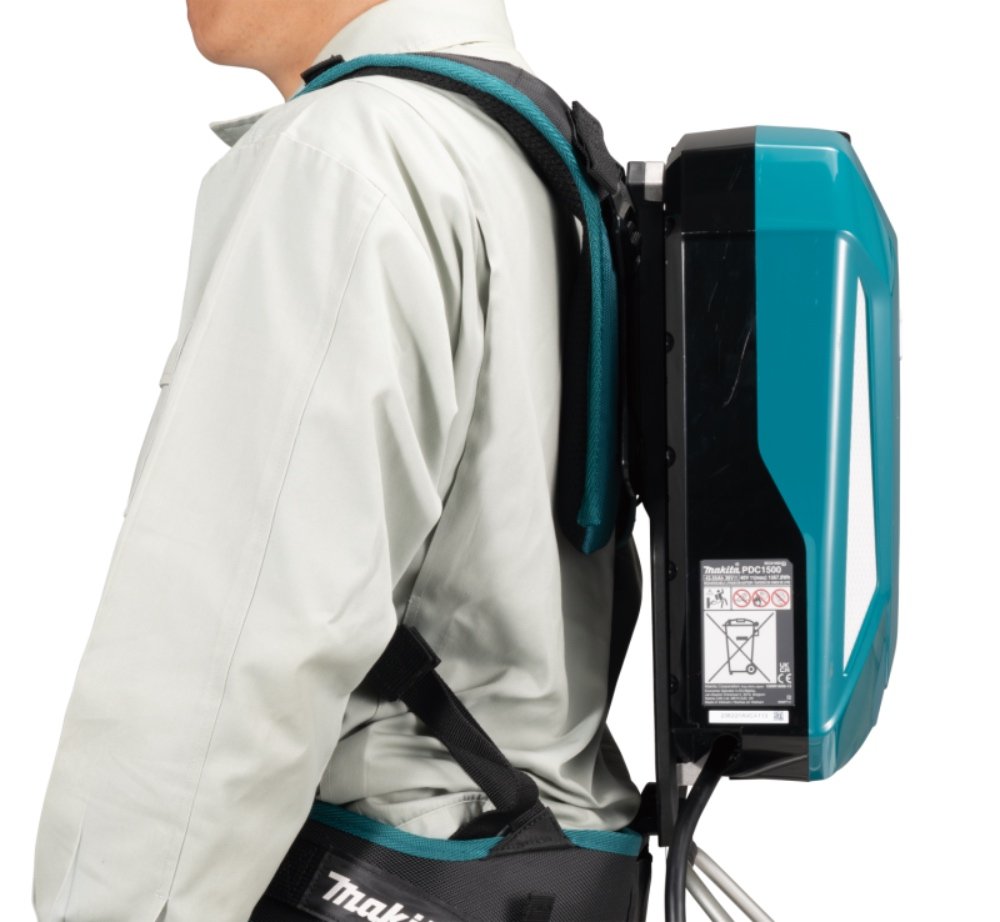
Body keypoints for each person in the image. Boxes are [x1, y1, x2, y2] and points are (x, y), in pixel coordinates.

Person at [33, 1, 641, 919]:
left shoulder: (350, 158)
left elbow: (226, 656)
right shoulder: (533, 150)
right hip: (539, 870)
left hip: (389, 869)